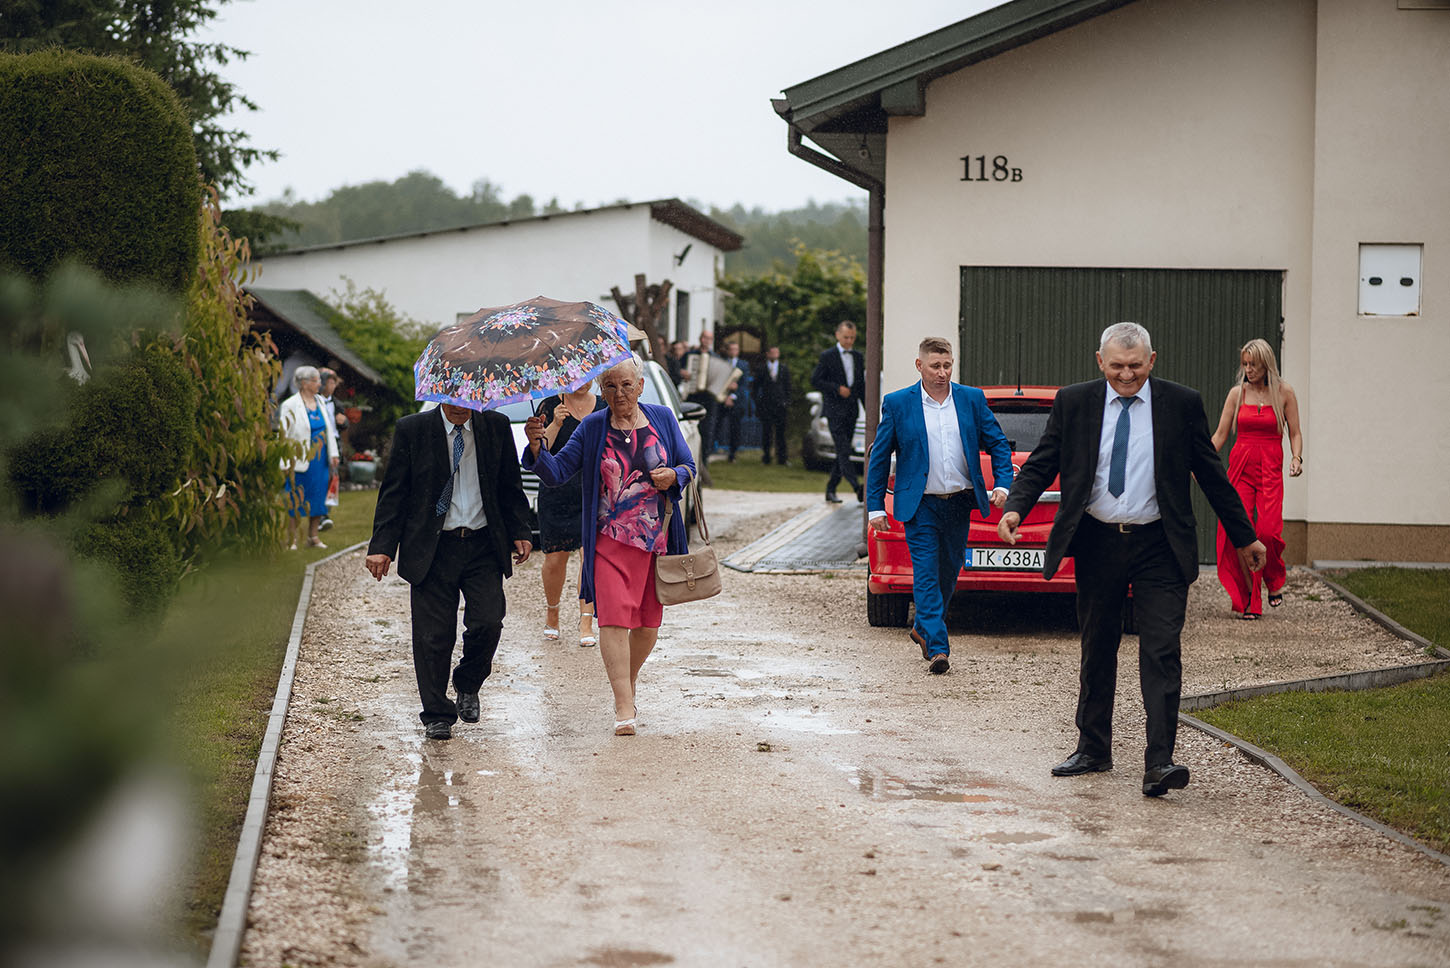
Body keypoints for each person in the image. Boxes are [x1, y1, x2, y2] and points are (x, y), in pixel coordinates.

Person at [998, 322, 1266, 798]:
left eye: (1136, 366)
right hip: (1098, 541)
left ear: (1152, 360)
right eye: (1117, 366)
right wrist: (1016, 506)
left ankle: (1160, 762)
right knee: (1097, 646)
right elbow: (1042, 462)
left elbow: (1211, 474)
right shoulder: (1075, 402)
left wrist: (1245, 538)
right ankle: (1093, 748)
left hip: (1160, 544)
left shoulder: (1180, 404)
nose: (1126, 375)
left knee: (1161, 650)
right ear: (1100, 361)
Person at [522, 356, 697, 737]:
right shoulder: (592, 427)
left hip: (655, 543)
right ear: (602, 390)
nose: (619, 394)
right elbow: (555, 473)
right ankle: (623, 704)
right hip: (608, 542)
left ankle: (626, 683)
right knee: (614, 620)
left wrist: (674, 475)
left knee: (647, 625)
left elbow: (689, 466)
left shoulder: (663, 418)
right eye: (610, 387)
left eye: (626, 385)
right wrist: (537, 447)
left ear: (640, 386)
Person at [364, 402, 534, 741]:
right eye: (453, 398)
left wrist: (520, 530)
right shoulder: (413, 429)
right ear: (441, 393)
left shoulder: (495, 426)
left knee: (488, 621)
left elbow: (509, 486)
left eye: (467, 399)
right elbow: (394, 491)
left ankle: (468, 683)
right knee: (433, 635)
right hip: (433, 546)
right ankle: (437, 714)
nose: (460, 406)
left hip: (483, 544)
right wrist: (382, 545)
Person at [866, 337, 1014, 674]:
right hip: (920, 505)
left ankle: (923, 627)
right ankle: (938, 646)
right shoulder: (898, 403)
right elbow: (880, 457)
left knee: (948, 572)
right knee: (926, 574)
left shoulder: (971, 399)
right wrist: (875, 507)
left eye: (947, 365)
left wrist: (1002, 483)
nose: (942, 372)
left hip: (959, 503)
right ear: (920, 366)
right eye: (935, 366)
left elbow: (998, 444)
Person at [1209, 338, 1303, 619]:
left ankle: (1273, 579)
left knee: (1267, 532)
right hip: (1241, 468)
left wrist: (1297, 458)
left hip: (1270, 469)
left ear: (1267, 365)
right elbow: (1220, 435)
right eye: (1245, 364)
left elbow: (1295, 432)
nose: (1248, 370)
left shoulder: (1284, 392)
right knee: (1239, 533)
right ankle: (1251, 599)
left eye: (1254, 365)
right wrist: (1199, 462)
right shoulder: (1237, 394)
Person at [535, 383, 607, 646]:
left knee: (590, 558)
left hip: (593, 492)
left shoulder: (603, 406)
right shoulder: (549, 405)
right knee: (555, 560)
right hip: (557, 492)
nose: (583, 381)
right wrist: (555, 423)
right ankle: (552, 612)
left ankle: (585, 620)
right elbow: (540, 450)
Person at [278, 365, 339, 550]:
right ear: (304, 383)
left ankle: (313, 537)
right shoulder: (290, 405)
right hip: (299, 459)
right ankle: (292, 540)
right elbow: (283, 435)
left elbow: (329, 429)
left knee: (318, 499)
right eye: (316, 380)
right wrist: (284, 462)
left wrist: (334, 454)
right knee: (295, 499)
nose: (320, 384)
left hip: (320, 460)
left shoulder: (320, 401)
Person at [811, 320, 866, 503]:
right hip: (834, 411)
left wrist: (870, 410)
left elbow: (861, 386)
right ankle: (857, 487)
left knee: (843, 452)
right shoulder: (827, 356)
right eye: (846, 337)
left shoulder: (858, 357)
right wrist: (836, 388)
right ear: (837, 335)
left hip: (851, 411)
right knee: (843, 449)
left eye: (852, 338)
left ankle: (830, 489)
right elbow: (816, 380)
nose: (849, 341)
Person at [683, 331, 721, 460]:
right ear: (700, 339)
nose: (706, 340)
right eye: (705, 338)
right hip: (694, 396)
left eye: (709, 338)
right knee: (692, 429)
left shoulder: (716, 358)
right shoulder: (690, 355)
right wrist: (683, 373)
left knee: (708, 431)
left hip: (709, 398)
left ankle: (704, 460)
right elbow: (680, 369)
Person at [753, 346, 791, 465]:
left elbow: (788, 387)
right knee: (767, 432)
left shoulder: (784, 368)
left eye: (776, 352)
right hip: (766, 405)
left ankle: (782, 458)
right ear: (768, 354)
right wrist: (759, 402)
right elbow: (755, 387)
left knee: (781, 433)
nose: (774, 354)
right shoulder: (761, 369)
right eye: (772, 352)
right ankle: (766, 457)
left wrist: (786, 402)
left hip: (780, 406)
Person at [318, 368, 342, 532]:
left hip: (334, 443)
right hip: (320, 442)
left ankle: (326, 513)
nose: (333, 386)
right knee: (321, 477)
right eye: (330, 383)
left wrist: (343, 421)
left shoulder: (337, 404)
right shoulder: (314, 402)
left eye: (334, 383)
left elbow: (344, 424)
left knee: (332, 478)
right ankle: (320, 513)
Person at [718, 340, 747, 461]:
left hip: (736, 401)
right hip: (721, 400)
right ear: (728, 351)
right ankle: (714, 448)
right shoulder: (722, 363)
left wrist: (733, 396)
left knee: (735, 428)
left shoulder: (743, 365)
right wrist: (725, 397)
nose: (734, 351)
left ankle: (732, 453)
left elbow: (744, 385)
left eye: (736, 349)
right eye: (731, 349)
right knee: (717, 425)